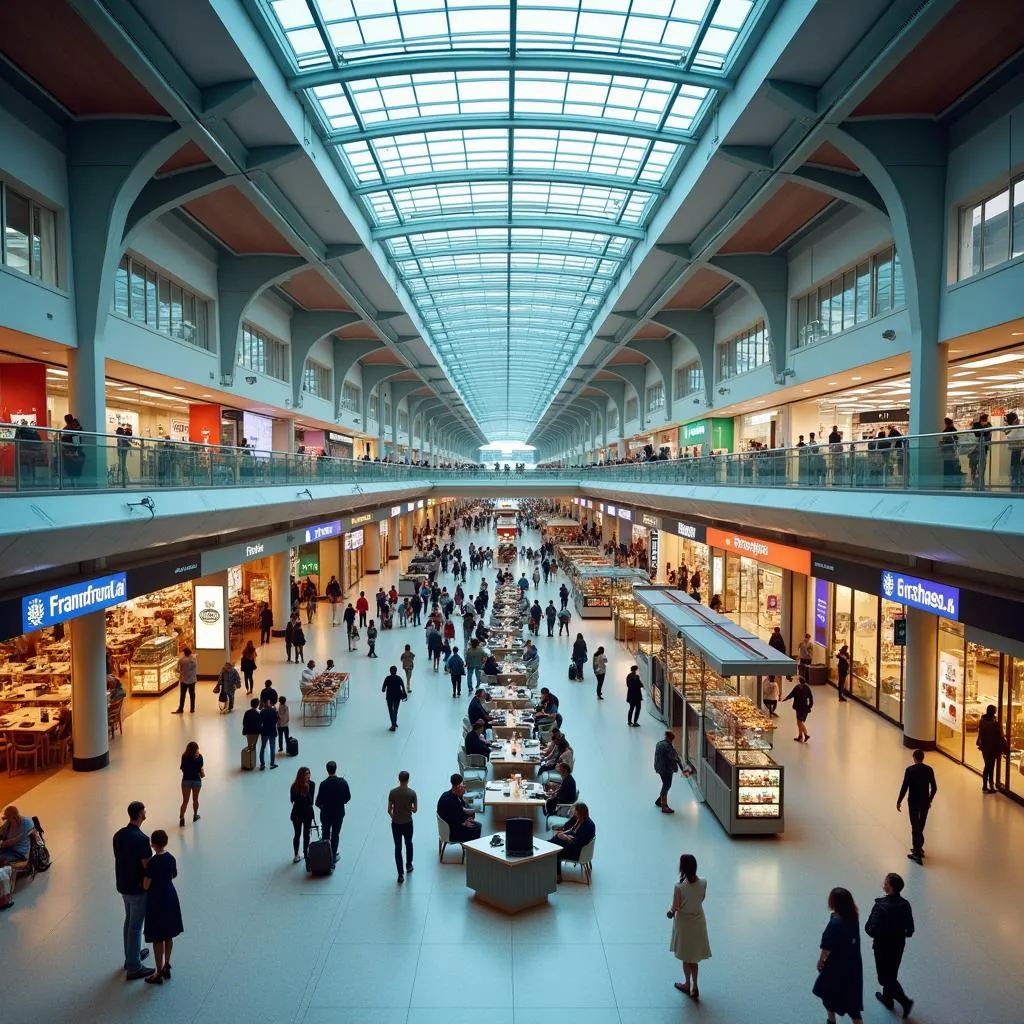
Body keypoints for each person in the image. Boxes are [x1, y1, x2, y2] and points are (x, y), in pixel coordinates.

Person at [113, 801, 155, 980]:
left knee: (129, 921)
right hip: (137, 888)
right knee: (136, 925)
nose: (146, 813)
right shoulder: (142, 839)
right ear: (140, 814)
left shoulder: (118, 835)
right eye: (144, 811)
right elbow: (146, 865)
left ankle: (131, 956)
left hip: (123, 884)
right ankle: (134, 966)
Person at [864, 872, 915, 1018]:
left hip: (882, 947)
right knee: (892, 971)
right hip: (898, 945)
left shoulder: (881, 906)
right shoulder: (905, 904)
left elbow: (871, 930)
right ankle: (888, 1000)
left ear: (891, 887)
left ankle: (905, 1001)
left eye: (885, 883)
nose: (883, 884)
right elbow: (910, 930)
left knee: (885, 978)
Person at [812, 887, 864, 1024]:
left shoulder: (835, 924)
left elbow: (827, 947)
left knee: (827, 995)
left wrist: (820, 961)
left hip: (836, 968)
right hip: (853, 966)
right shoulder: (854, 917)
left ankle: (831, 1020)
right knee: (853, 1006)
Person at [141, 829, 183, 985]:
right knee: (168, 934)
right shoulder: (171, 858)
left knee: (157, 936)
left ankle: (157, 972)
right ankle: (167, 964)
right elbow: (174, 875)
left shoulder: (151, 863)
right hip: (170, 896)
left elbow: (146, 885)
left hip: (156, 900)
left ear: (153, 844)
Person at [668, 853, 711, 1000]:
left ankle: (687, 984)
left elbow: (676, 907)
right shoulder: (704, 882)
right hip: (698, 921)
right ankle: (695, 986)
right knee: (694, 958)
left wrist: (670, 911)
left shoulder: (679, 887)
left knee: (687, 958)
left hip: (684, 924)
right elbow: (702, 898)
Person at [897, 749, 937, 864]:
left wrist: (899, 800)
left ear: (914, 757)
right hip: (924, 802)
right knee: (921, 825)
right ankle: (918, 847)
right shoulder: (929, 770)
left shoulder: (910, 770)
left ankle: (917, 853)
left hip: (913, 802)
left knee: (915, 827)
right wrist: (929, 800)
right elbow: (934, 788)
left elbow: (905, 787)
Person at [549, 802, 595, 883]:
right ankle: (547, 847)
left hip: (578, 851)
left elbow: (579, 843)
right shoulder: (579, 819)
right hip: (572, 844)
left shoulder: (588, 825)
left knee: (556, 851)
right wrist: (565, 834)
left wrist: (566, 838)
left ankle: (558, 876)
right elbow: (566, 827)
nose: (574, 812)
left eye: (575, 811)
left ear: (580, 812)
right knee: (555, 840)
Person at [316, 761, 352, 864]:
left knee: (326, 834)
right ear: (336, 769)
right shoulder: (343, 782)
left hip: (326, 815)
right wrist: (341, 802)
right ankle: (333, 855)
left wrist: (324, 807)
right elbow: (348, 797)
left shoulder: (323, 784)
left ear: (327, 770)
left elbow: (318, 802)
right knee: (335, 835)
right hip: (338, 814)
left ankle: (325, 855)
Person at [388, 770, 417, 883]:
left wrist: (393, 817)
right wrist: (408, 808)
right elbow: (415, 810)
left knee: (398, 847)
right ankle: (409, 864)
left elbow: (389, 809)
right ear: (408, 780)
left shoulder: (393, 792)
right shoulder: (412, 793)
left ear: (399, 779)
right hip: (408, 823)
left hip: (396, 824)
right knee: (408, 843)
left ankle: (400, 874)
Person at [437, 773, 481, 842]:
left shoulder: (451, 794)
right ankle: (471, 848)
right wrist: (464, 823)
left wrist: (469, 811)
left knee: (472, 816)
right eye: (462, 786)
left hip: (452, 823)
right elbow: (453, 821)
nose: (464, 787)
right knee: (477, 828)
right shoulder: (449, 802)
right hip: (451, 832)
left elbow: (460, 808)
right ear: (458, 787)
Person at [976, 704, 1007, 793]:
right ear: (994, 712)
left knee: (987, 766)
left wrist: (978, 740)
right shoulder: (995, 723)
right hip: (993, 747)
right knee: (991, 766)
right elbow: (1000, 736)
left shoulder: (982, 721)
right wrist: (1005, 745)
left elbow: (980, 733)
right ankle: (991, 785)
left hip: (985, 747)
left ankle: (985, 785)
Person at [289, 766, 316, 864]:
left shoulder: (312, 784)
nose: (308, 776)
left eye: (309, 774)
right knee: (297, 834)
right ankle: (296, 854)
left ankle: (306, 852)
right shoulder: (294, 787)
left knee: (306, 833)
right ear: (301, 776)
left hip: (307, 813)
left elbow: (311, 801)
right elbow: (292, 800)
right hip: (297, 813)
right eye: (306, 774)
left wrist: (305, 790)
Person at [654, 730, 684, 813]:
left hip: (659, 768)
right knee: (667, 785)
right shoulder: (668, 747)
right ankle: (664, 806)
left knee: (665, 784)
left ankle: (660, 801)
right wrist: (679, 769)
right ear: (671, 738)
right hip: (666, 770)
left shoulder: (659, 743)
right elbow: (674, 759)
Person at [177, 741, 203, 828]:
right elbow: (201, 769)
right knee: (195, 800)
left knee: (185, 801)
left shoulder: (184, 756)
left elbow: (182, 769)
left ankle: (182, 818)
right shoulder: (199, 757)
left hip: (186, 781)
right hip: (196, 781)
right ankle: (195, 815)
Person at [782, 675, 814, 742]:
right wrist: (810, 706)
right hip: (805, 707)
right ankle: (800, 736)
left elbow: (791, 694)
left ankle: (806, 734)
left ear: (799, 681)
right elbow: (811, 697)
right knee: (800, 721)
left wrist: (786, 698)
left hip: (798, 707)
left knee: (799, 722)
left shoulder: (797, 687)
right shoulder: (807, 688)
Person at [171, 646, 197, 714]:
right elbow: (195, 667)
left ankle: (181, 708)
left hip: (183, 680)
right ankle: (192, 708)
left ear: (184, 653)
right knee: (192, 694)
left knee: (182, 695)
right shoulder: (193, 659)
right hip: (192, 680)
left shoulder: (181, 660)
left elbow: (178, 670)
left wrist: (178, 671)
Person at [382, 665, 407, 731]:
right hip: (397, 696)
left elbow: (383, 689)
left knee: (391, 711)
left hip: (389, 697)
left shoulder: (387, 678)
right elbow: (403, 687)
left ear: (390, 671)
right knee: (395, 710)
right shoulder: (399, 678)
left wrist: (384, 689)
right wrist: (404, 694)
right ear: (396, 671)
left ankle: (393, 724)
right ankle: (394, 722)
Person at [259, 699, 279, 770]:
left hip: (264, 731)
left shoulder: (262, 711)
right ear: (270, 704)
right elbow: (277, 720)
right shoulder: (274, 711)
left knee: (263, 747)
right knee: (272, 747)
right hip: (272, 731)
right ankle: (272, 763)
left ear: (264, 704)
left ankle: (262, 764)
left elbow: (260, 721)